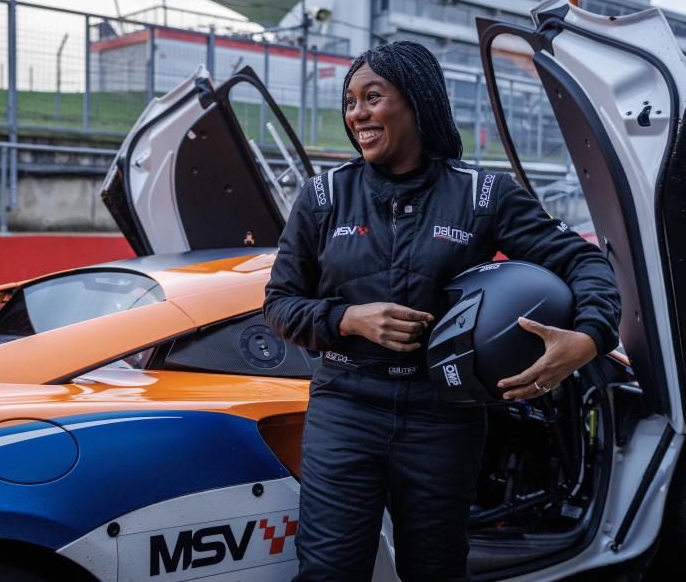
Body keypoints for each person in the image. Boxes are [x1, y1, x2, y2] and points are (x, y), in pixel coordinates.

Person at [263, 41, 621, 582]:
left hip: (443, 417)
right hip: (345, 409)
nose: (356, 113)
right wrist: (348, 319)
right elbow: (280, 304)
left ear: (417, 102)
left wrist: (588, 340)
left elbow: (585, 263)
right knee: (329, 573)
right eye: (350, 100)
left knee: (436, 572)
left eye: (373, 97)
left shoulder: (483, 195)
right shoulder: (322, 197)